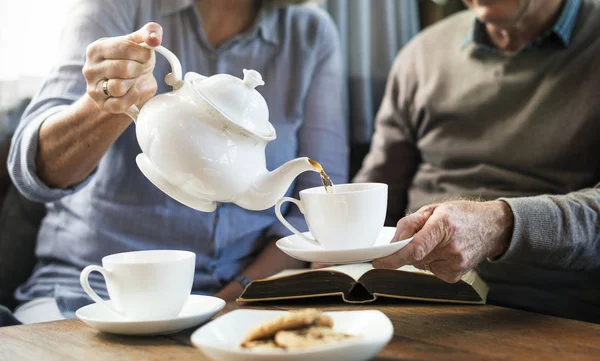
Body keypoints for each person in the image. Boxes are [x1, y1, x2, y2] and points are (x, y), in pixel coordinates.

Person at [7, 0, 347, 323]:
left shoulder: (310, 34)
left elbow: (312, 205)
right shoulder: (120, 8)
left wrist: (240, 290)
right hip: (94, 292)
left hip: (244, 301)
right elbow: (34, 172)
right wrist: (109, 103)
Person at [356, 0, 600, 323]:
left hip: (549, 318)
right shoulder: (421, 54)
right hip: (400, 306)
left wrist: (500, 225)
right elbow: (375, 189)